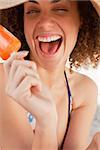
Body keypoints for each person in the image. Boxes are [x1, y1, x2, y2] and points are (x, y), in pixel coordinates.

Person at [0, 0, 100, 149]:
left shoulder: (84, 90)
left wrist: (95, 144)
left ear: (82, 19)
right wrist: (46, 122)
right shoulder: (7, 80)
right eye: (33, 11)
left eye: (60, 9)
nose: (45, 23)